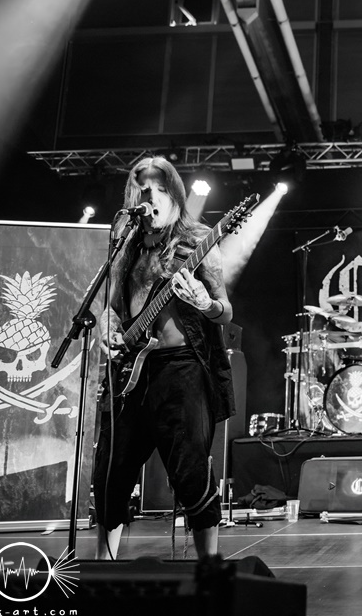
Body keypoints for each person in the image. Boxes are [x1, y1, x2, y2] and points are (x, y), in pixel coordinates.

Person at [93, 156, 234, 560]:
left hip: (181, 369)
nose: (150, 196)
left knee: (190, 469)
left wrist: (205, 303)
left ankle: (210, 567)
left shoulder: (197, 241)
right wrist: (106, 327)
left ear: (174, 196)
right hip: (129, 372)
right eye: (143, 189)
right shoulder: (125, 247)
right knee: (110, 471)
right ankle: (104, 568)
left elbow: (225, 310)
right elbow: (111, 307)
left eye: (159, 189)